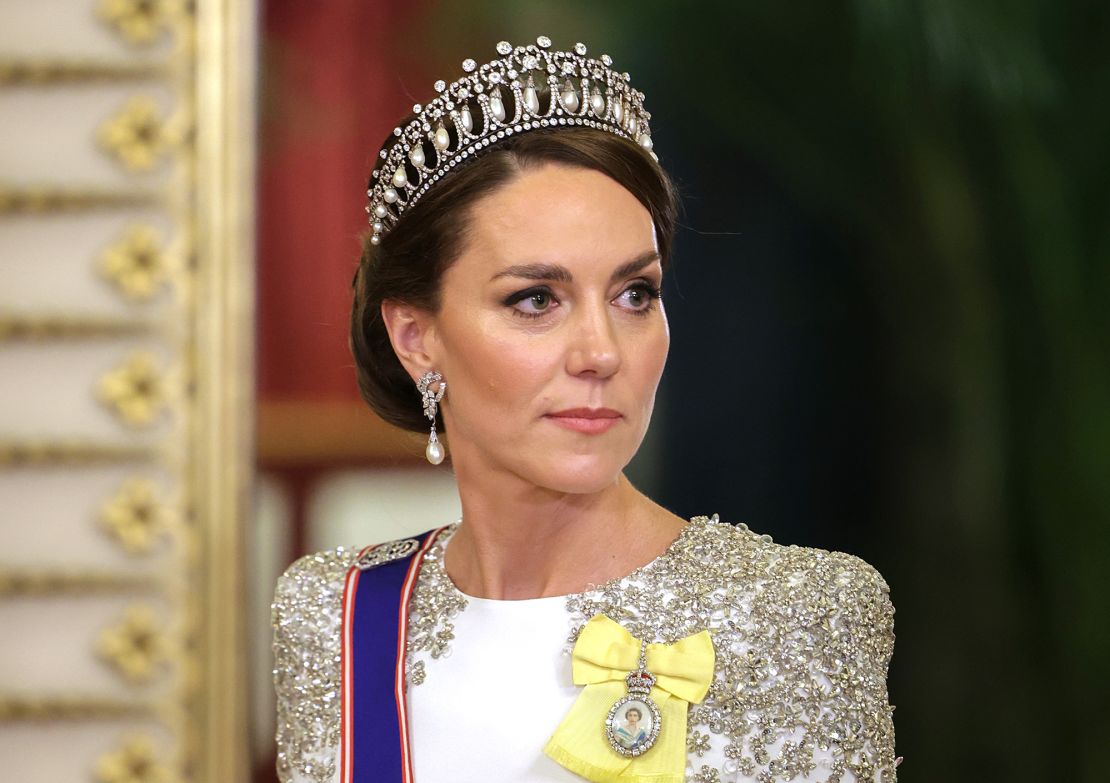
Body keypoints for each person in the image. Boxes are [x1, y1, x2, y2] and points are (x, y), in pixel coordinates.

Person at [272, 35, 898, 783]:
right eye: (536, 300)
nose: (601, 351)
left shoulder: (801, 617)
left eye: (635, 294)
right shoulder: (334, 616)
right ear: (417, 337)